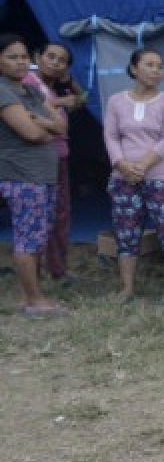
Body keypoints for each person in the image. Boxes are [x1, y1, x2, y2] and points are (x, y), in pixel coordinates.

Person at [103, 48, 164, 303]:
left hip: (161, 177)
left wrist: (142, 166)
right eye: (149, 64)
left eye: (159, 66)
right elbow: (112, 136)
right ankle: (127, 289)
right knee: (126, 232)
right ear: (134, 68)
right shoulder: (116, 101)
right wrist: (121, 164)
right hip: (123, 178)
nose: (156, 70)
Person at [0, 33, 69, 317]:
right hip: (22, 175)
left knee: (38, 236)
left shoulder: (29, 91)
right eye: (12, 56)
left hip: (43, 175)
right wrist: (44, 129)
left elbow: (61, 127)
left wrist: (40, 123)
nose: (20, 62)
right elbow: (29, 133)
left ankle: (34, 294)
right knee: (28, 238)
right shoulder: (3, 90)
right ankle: (33, 300)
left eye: (24, 56)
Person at [24, 41, 86, 283]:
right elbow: (30, 111)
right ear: (37, 57)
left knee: (60, 215)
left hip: (58, 158)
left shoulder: (54, 87)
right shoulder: (28, 82)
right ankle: (35, 273)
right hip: (37, 159)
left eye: (62, 60)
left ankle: (58, 270)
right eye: (50, 56)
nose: (55, 62)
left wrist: (69, 82)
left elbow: (80, 100)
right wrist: (61, 103)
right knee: (40, 216)